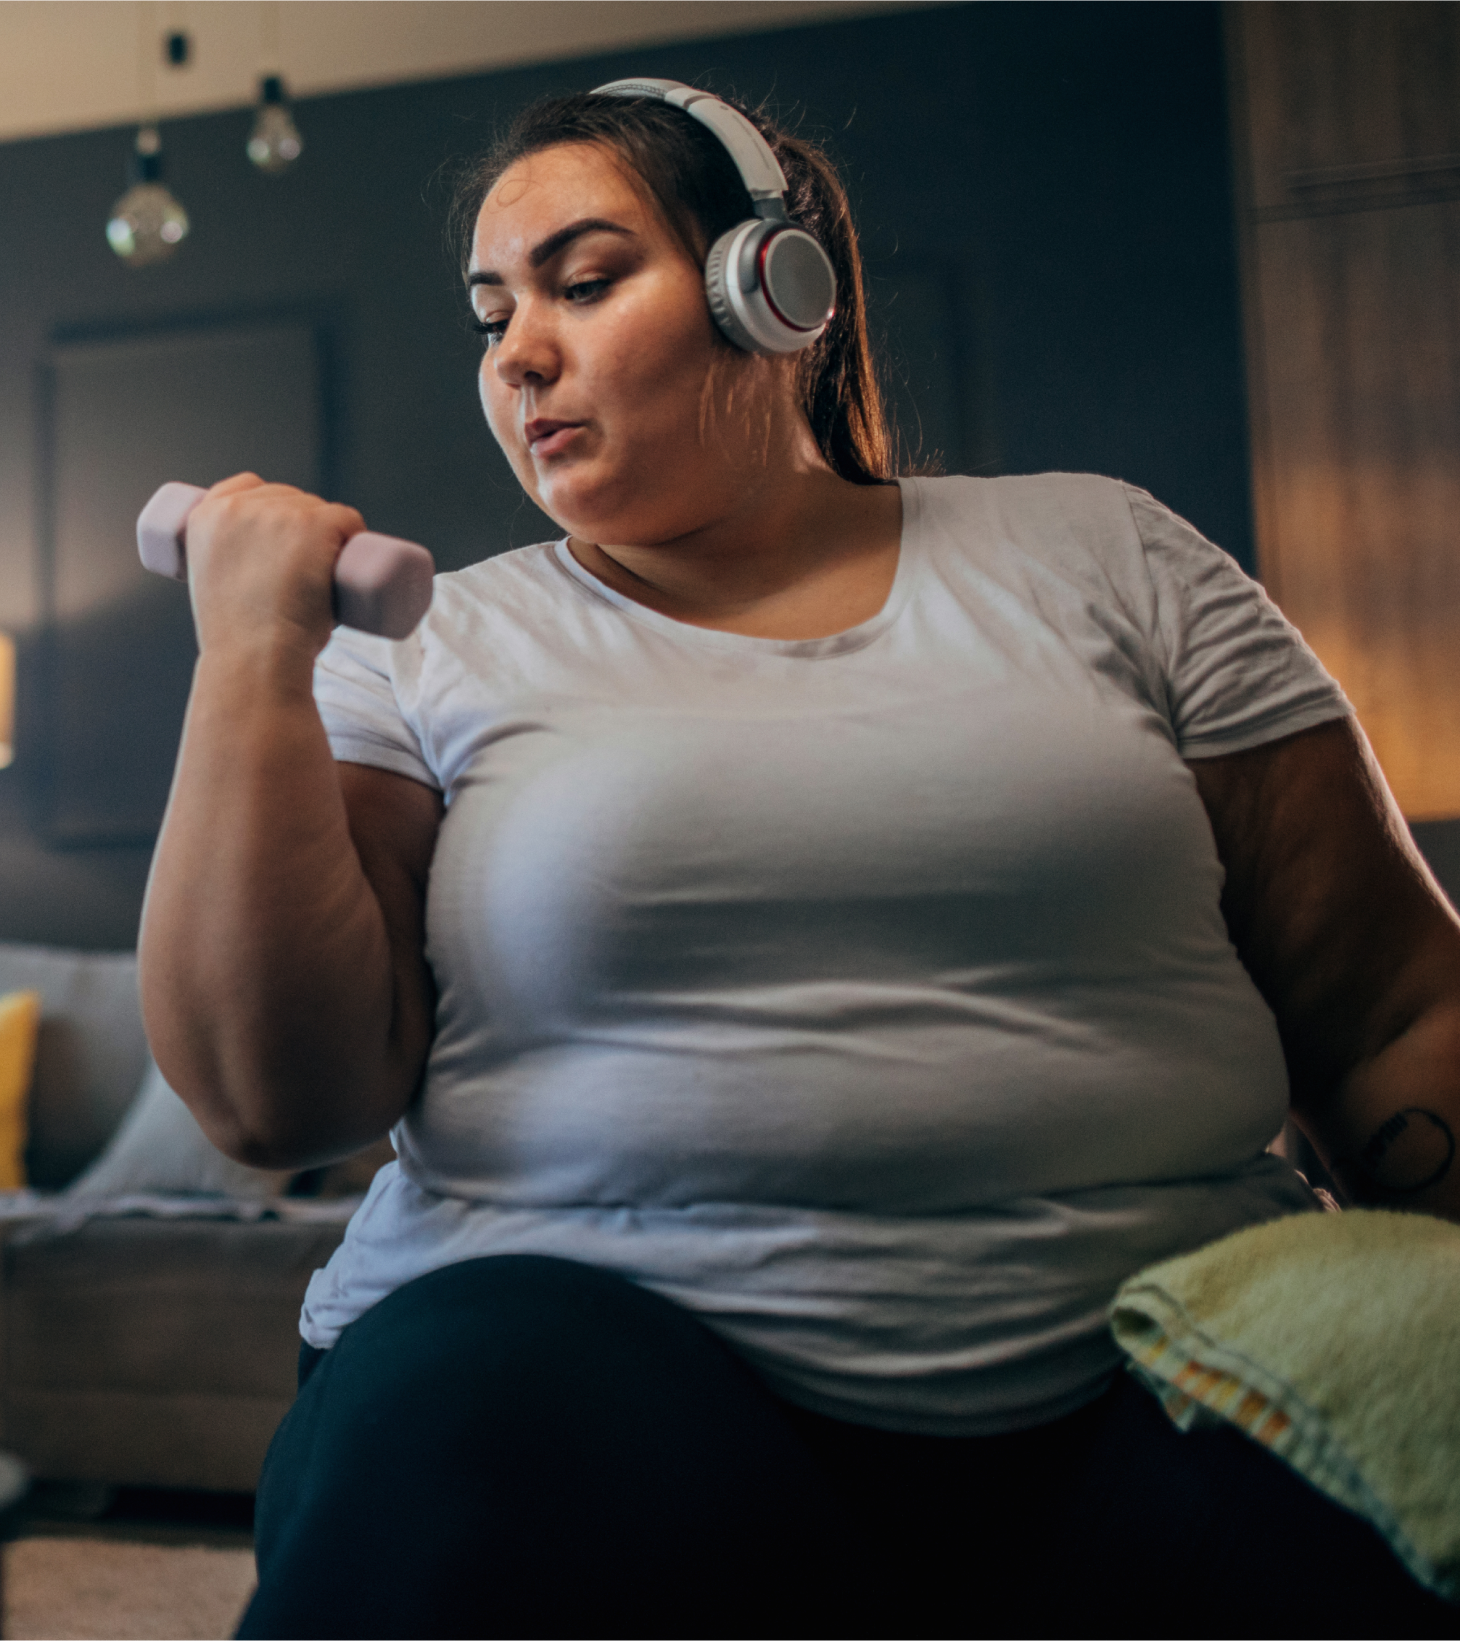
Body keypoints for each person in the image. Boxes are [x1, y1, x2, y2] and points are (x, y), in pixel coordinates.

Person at [138, 82, 1460, 1637]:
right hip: (593, 1417)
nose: (517, 353)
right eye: (493, 312)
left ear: (780, 290)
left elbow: (1387, 1014)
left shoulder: (1111, 556)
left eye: (582, 281)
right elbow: (269, 1098)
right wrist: (249, 652)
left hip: (1145, 1400)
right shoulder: (427, 649)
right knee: (474, 1395)